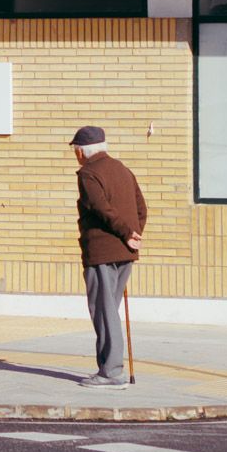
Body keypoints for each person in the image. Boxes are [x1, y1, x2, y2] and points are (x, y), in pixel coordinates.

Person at [71, 125, 146, 387]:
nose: (75, 155)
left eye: (75, 150)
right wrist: (134, 235)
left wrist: (126, 233)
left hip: (101, 252)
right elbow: (141, 207)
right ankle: (107, 366)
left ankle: (111, 372)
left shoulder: (88, 174)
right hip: (126, 252)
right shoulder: (123, 170)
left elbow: (100, 208)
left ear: (81, 151)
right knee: (109, 310)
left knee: (103, 311)